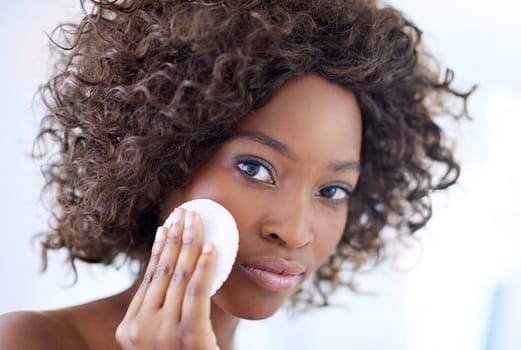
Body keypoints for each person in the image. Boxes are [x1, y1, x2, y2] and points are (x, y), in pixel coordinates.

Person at [0, 0, 473, 349]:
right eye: (255, 168)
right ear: (161, 160)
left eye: (332, 190)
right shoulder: (29, 340)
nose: (293, 231)